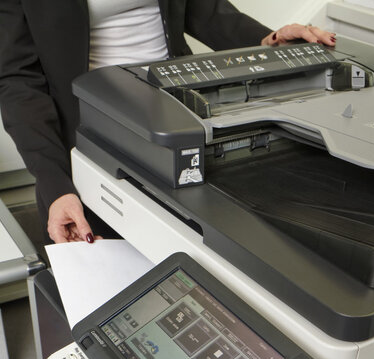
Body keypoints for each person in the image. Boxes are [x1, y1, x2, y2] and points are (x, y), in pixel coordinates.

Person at [0, 1, 336, 244]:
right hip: (91, 130)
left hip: (178, 108)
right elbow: (17, 80)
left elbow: (201, 8)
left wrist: (268, 42)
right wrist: (54, 182)